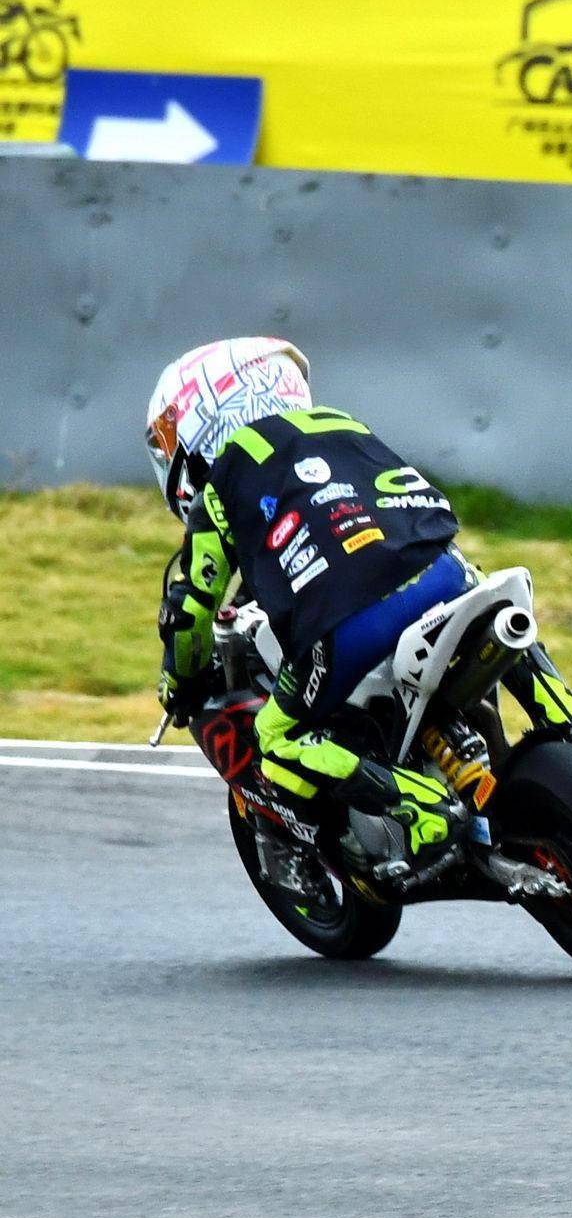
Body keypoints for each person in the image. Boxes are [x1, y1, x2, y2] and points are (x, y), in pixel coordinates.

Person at [146, 337, 548, 878]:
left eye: (171, 438)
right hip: (446, 572)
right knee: (492, 608)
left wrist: (179, 680)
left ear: (207, 419)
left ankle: (421, 808)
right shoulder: (341, 425)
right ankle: (567, 715)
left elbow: (194, 605)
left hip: (349, 621)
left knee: (275, 740)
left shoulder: (223, 482)